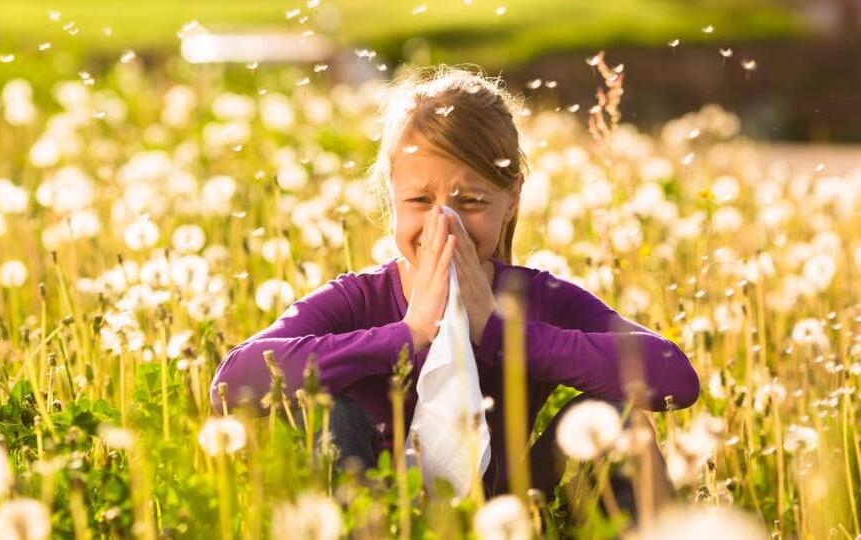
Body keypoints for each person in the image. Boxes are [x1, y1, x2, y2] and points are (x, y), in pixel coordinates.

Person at [210, 66, 700, 519]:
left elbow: (674, 378)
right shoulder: (358, 299)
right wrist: (407, 335)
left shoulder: (539, 297)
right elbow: (232, 384)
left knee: (618, 418)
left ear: (511, 202)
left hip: (508, 513)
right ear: (391, 196)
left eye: (470, 201)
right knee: (329, 413)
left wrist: (502, 332)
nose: (444, 224)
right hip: (375, 511)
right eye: (421, 200)